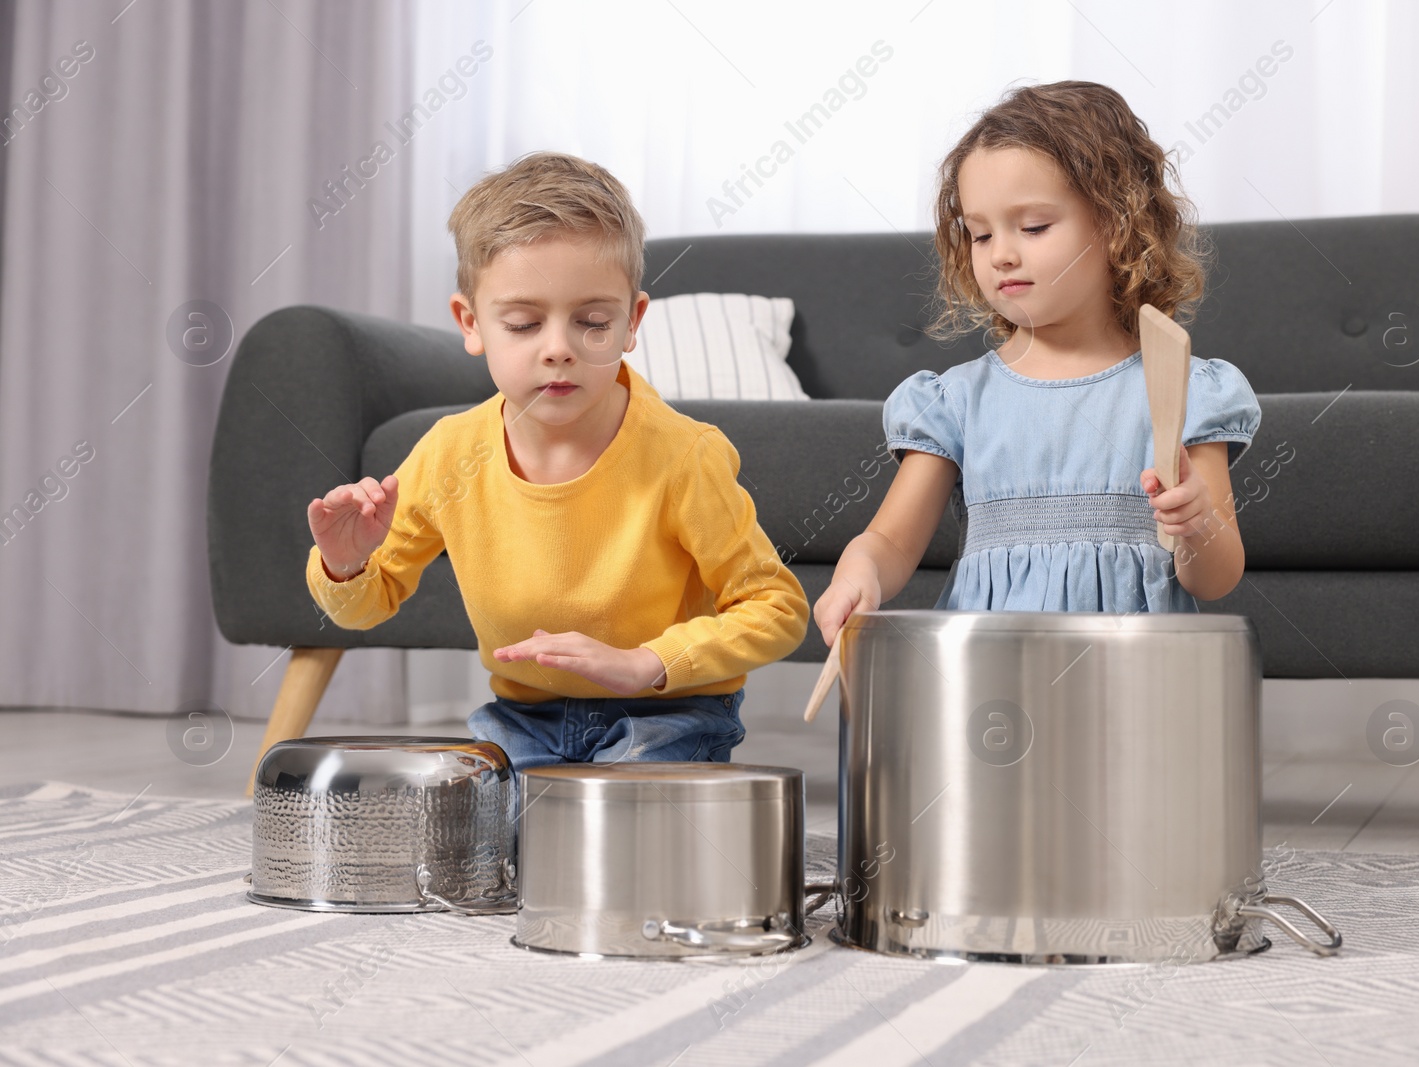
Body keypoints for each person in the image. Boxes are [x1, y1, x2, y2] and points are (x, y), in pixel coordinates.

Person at [305, 151, 809, 771]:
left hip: (666, 714)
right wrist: (346, 561)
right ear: (471, 323)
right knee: (476, 840)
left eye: (592, 322)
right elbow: (365, 605)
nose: (559, 350)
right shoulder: (450, 452)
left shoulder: (683, 455)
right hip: (523, 721)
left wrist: (644, 664)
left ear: (632, 322)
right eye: (522, 324)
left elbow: (776, 608)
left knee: (624, 833)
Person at [814, 81, 1262, 646]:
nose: (1000, 252)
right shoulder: (955, 401)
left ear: (1117, 223)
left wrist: (1195, 522)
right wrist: (860, 569)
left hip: (1129, 692)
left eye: (1032, 227)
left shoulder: (1183, 388)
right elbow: (893, 544)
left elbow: (1216, 579)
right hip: (987, 686)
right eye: (980, 234)